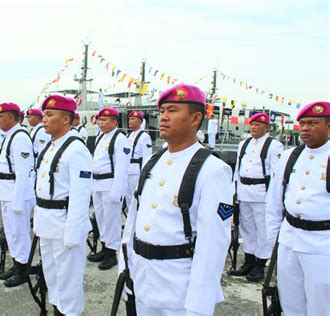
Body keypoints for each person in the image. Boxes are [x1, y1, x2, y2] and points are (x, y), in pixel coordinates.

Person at [120, 83, 233, 315]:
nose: (163, 117)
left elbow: (213, 244)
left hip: (179, 285)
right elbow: (133, 219)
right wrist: (125, 267)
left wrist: (199, 305)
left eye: (172, 110)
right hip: (142, 276)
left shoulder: (213, 170)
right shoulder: (153, 160)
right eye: (162, 111)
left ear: (195, 119)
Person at [266, 101, 330, 315]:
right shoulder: (289, 156)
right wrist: (274, 238)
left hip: (322, 244)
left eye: (313, 123)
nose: (305, 128)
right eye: (302, 123)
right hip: (289, 239)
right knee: (290, 300)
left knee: (321, 305)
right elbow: (274, 201)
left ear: (328, 126)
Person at [34, 95, 92, 315]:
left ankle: (70, 312)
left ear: (66, 119)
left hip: (64, 225)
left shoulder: (76, 149)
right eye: (44, 115)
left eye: (49, 115)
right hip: (47, 223)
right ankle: (59, 309)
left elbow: (80, 196)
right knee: (52, 275)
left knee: (69, 280)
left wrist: (73, 233)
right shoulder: (51, 146)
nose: (44, 120)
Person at [231, 112, 283, 281]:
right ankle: (249, 260)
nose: (253, 127)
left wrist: (273, 197)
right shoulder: (243, 143)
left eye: (258, 125)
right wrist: (235, 189)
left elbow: (276, 173)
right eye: (252, 124)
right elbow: (238, 168)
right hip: (244, 191)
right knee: (247, 228)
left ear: (266, 128)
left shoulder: (273, 145)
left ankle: (260, 263)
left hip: (262, 192)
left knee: (262, 229)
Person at [0, 102, 36, 288]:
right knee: (11, 232)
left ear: (11, 117)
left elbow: (23, 172)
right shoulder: (9, 136)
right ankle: (17, 263)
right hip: (7, 191)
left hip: (16, 193)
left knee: (20, 232)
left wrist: (18, 201)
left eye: (1, 117)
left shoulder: (20, 138)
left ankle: (23, 269)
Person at [88, 107, 131, 270]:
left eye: (105, 120)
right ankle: (104, 247)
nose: (101, 123)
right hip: (98, 183)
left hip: (110, 184)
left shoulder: (120, 139)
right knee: (100, 218)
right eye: (99, 120)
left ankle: (111, 253)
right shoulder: (101, 137)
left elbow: (122, 168)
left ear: (114, 122)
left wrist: (117, 192)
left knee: (111, 219)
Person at [125, 110, 152, 208]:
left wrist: (143, 174)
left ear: (140, 121)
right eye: (129, 119)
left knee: (136, 197)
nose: (130, 121)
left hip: (136, 171)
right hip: (127, 169)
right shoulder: (128, 135)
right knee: (128, 197)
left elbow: (147, 157)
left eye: (133, 119)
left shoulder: (144, 136)